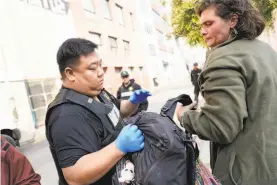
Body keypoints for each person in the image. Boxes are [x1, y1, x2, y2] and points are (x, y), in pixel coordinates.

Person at [176, 0, 277, 185]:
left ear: (232, 20)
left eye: (209, 23)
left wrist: (184, 116)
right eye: (201, 25)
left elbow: (221, 128)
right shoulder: (265, 50)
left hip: (244, 174)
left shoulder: (224, 59)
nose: (203, 31)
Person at [45, 38, 151, 185]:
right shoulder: (66, 114)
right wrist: (119, 147)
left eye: (100, 65)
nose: (101, 72)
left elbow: (120, 111)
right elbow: (74, 176)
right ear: (70, 73)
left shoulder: (99, 93)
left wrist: (134, 102)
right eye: (92, 68)